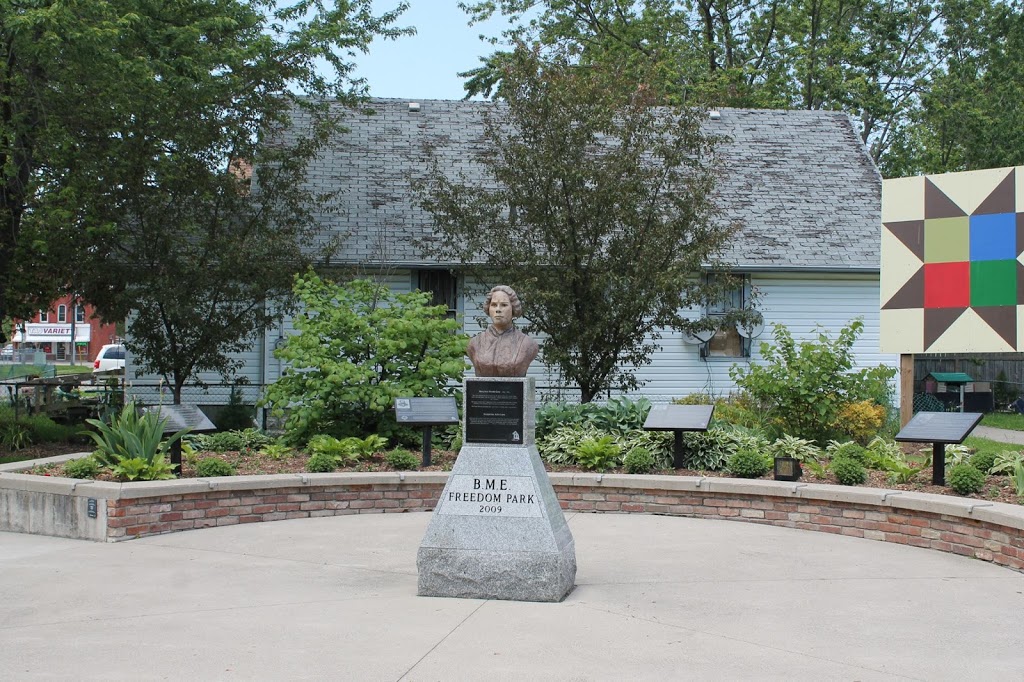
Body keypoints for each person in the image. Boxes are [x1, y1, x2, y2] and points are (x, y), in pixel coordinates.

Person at [466, 285, 539, 377]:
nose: (498, 310)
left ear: (513, 308)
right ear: (488, 308)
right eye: (494, 305)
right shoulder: (474, 343)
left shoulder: (528, 344)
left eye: (504, 305)